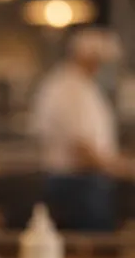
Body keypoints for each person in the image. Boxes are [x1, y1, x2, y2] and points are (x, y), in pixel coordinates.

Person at [31, 25, 127, 232]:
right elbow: (82, 148)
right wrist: (121, 168)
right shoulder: (70, 89)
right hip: (78, 184)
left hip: (84, 182)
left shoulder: (81, 85)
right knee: (92, 244)